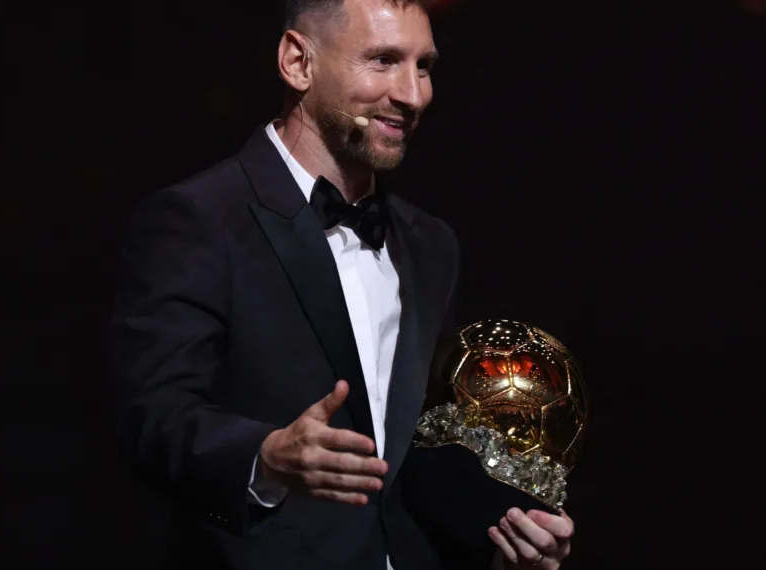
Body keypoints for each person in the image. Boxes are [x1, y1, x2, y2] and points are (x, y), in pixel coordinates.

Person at [109, 0, 575, 568]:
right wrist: (267, 455)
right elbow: (151, 418)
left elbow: (412, 451)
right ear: (297, 62)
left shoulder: (430, 245)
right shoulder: (199, 220)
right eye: (382, 60)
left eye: (423, 65)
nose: (413, 93)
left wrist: (504, 524)